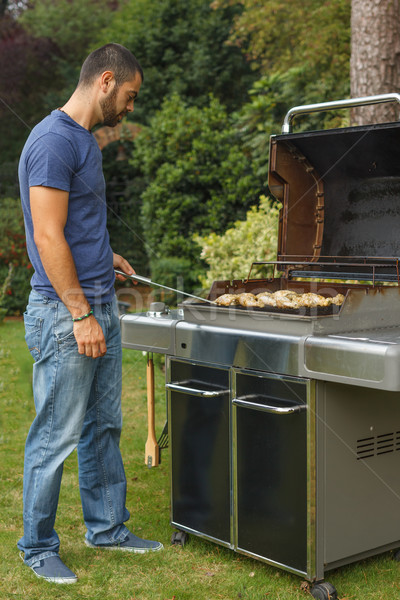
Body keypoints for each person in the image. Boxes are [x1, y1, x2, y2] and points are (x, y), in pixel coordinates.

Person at [17, 43, 163, 585]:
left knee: (103, 425)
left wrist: (106, 256)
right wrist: (81, 314)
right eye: (129, 96)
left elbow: (76, 227)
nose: (130, 107)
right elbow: (47, 234)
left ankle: (106, 528)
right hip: (65, 312)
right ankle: (37, 546)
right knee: (56, 433)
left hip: (99, 298)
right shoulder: (54, 141)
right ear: (106, 80)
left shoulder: (83, 140)